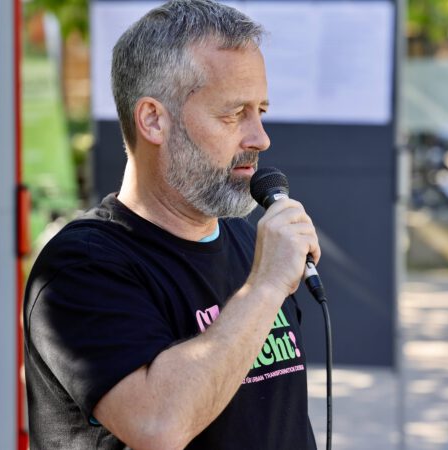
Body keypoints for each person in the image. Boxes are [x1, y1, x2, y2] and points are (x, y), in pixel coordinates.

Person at [23, 1, 320, 449]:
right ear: (153, 120)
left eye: (261, 110)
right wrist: (264, 287)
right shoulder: (82, 266)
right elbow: (158, 426)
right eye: (233, 114)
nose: (260, 137)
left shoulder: (248, 242)